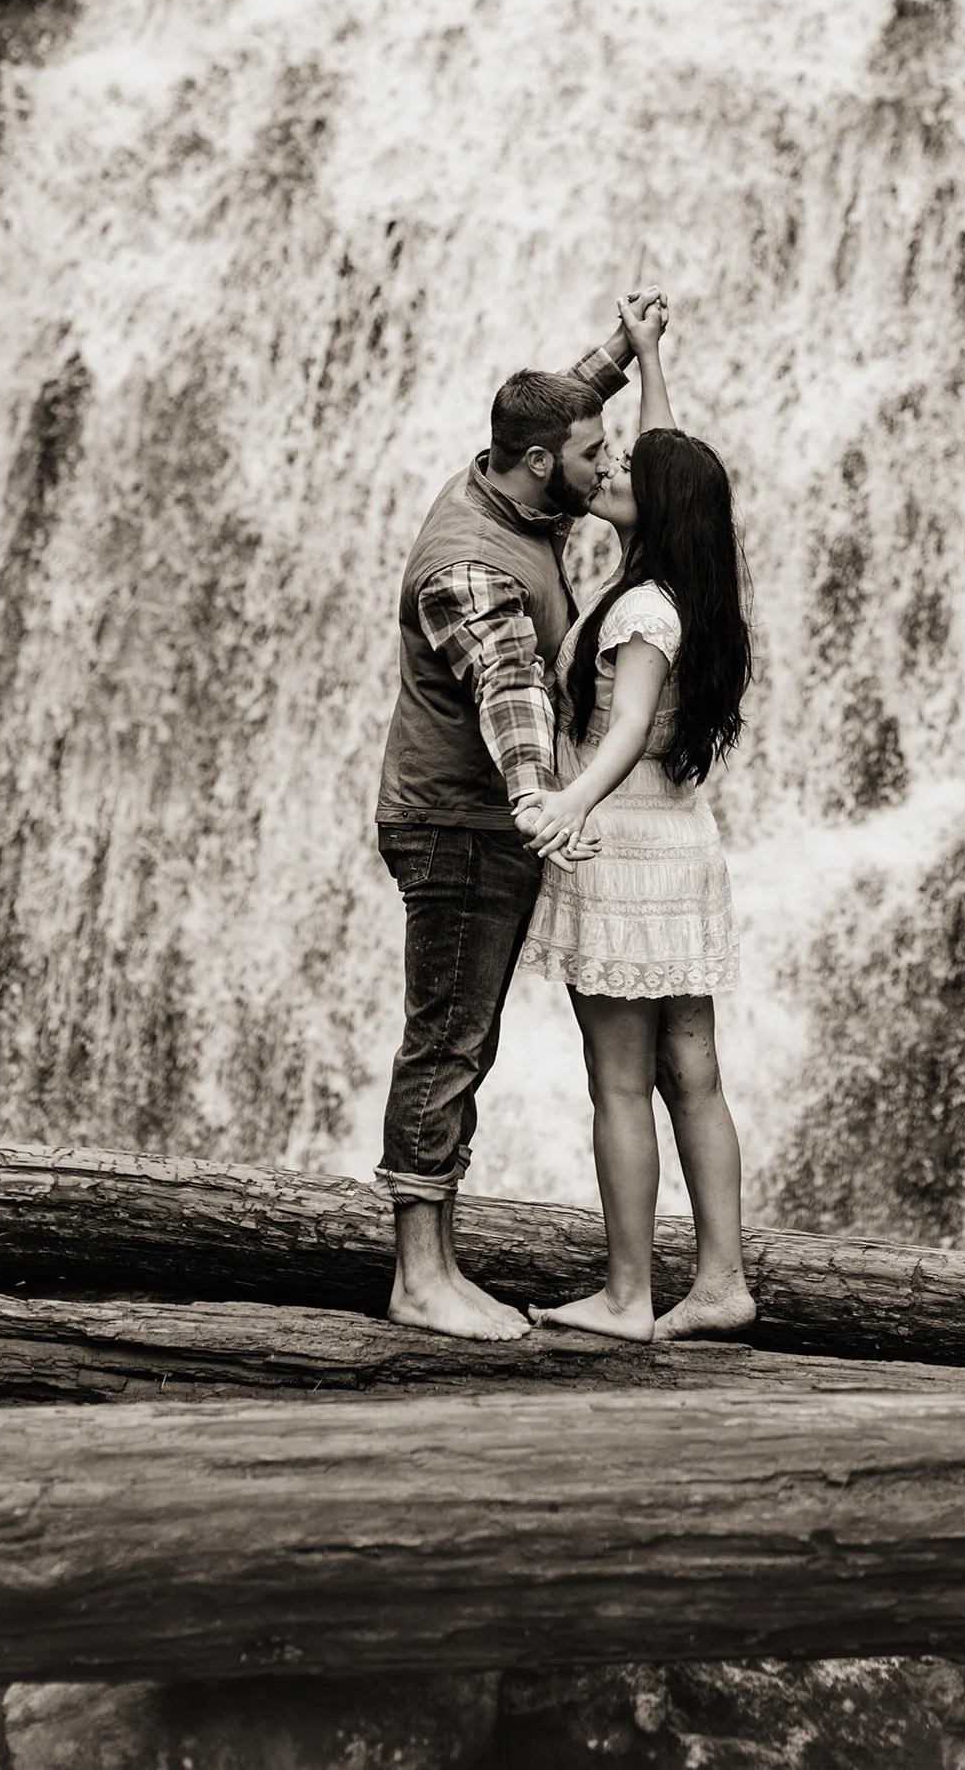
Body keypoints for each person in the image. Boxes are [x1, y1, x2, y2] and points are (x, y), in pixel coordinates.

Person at [373, 290, 666, 1340]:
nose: (608, 464)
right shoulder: (471, 566)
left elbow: (564, 404)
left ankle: (435, 1262)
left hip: (477, 819)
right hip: (460, 824)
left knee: (463, 1037)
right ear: (542, 464)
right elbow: (508, 686)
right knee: (447, 1042)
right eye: (593, 454)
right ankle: (419, 1277)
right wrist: (540, 793)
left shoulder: (514, 476)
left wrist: (623, 352)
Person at [517, 295, 756, 1342]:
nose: (611, 467)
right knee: (692, 1073)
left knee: (619, 1083)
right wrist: (648, 357)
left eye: (628, 471)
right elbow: (671, 458)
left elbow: (624, 730)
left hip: (622, 852)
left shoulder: (646, 609)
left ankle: (626, 1294)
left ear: (657, 509)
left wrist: (569, 798)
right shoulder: (692, 584)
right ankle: (722, 1281)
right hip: (678, 845)